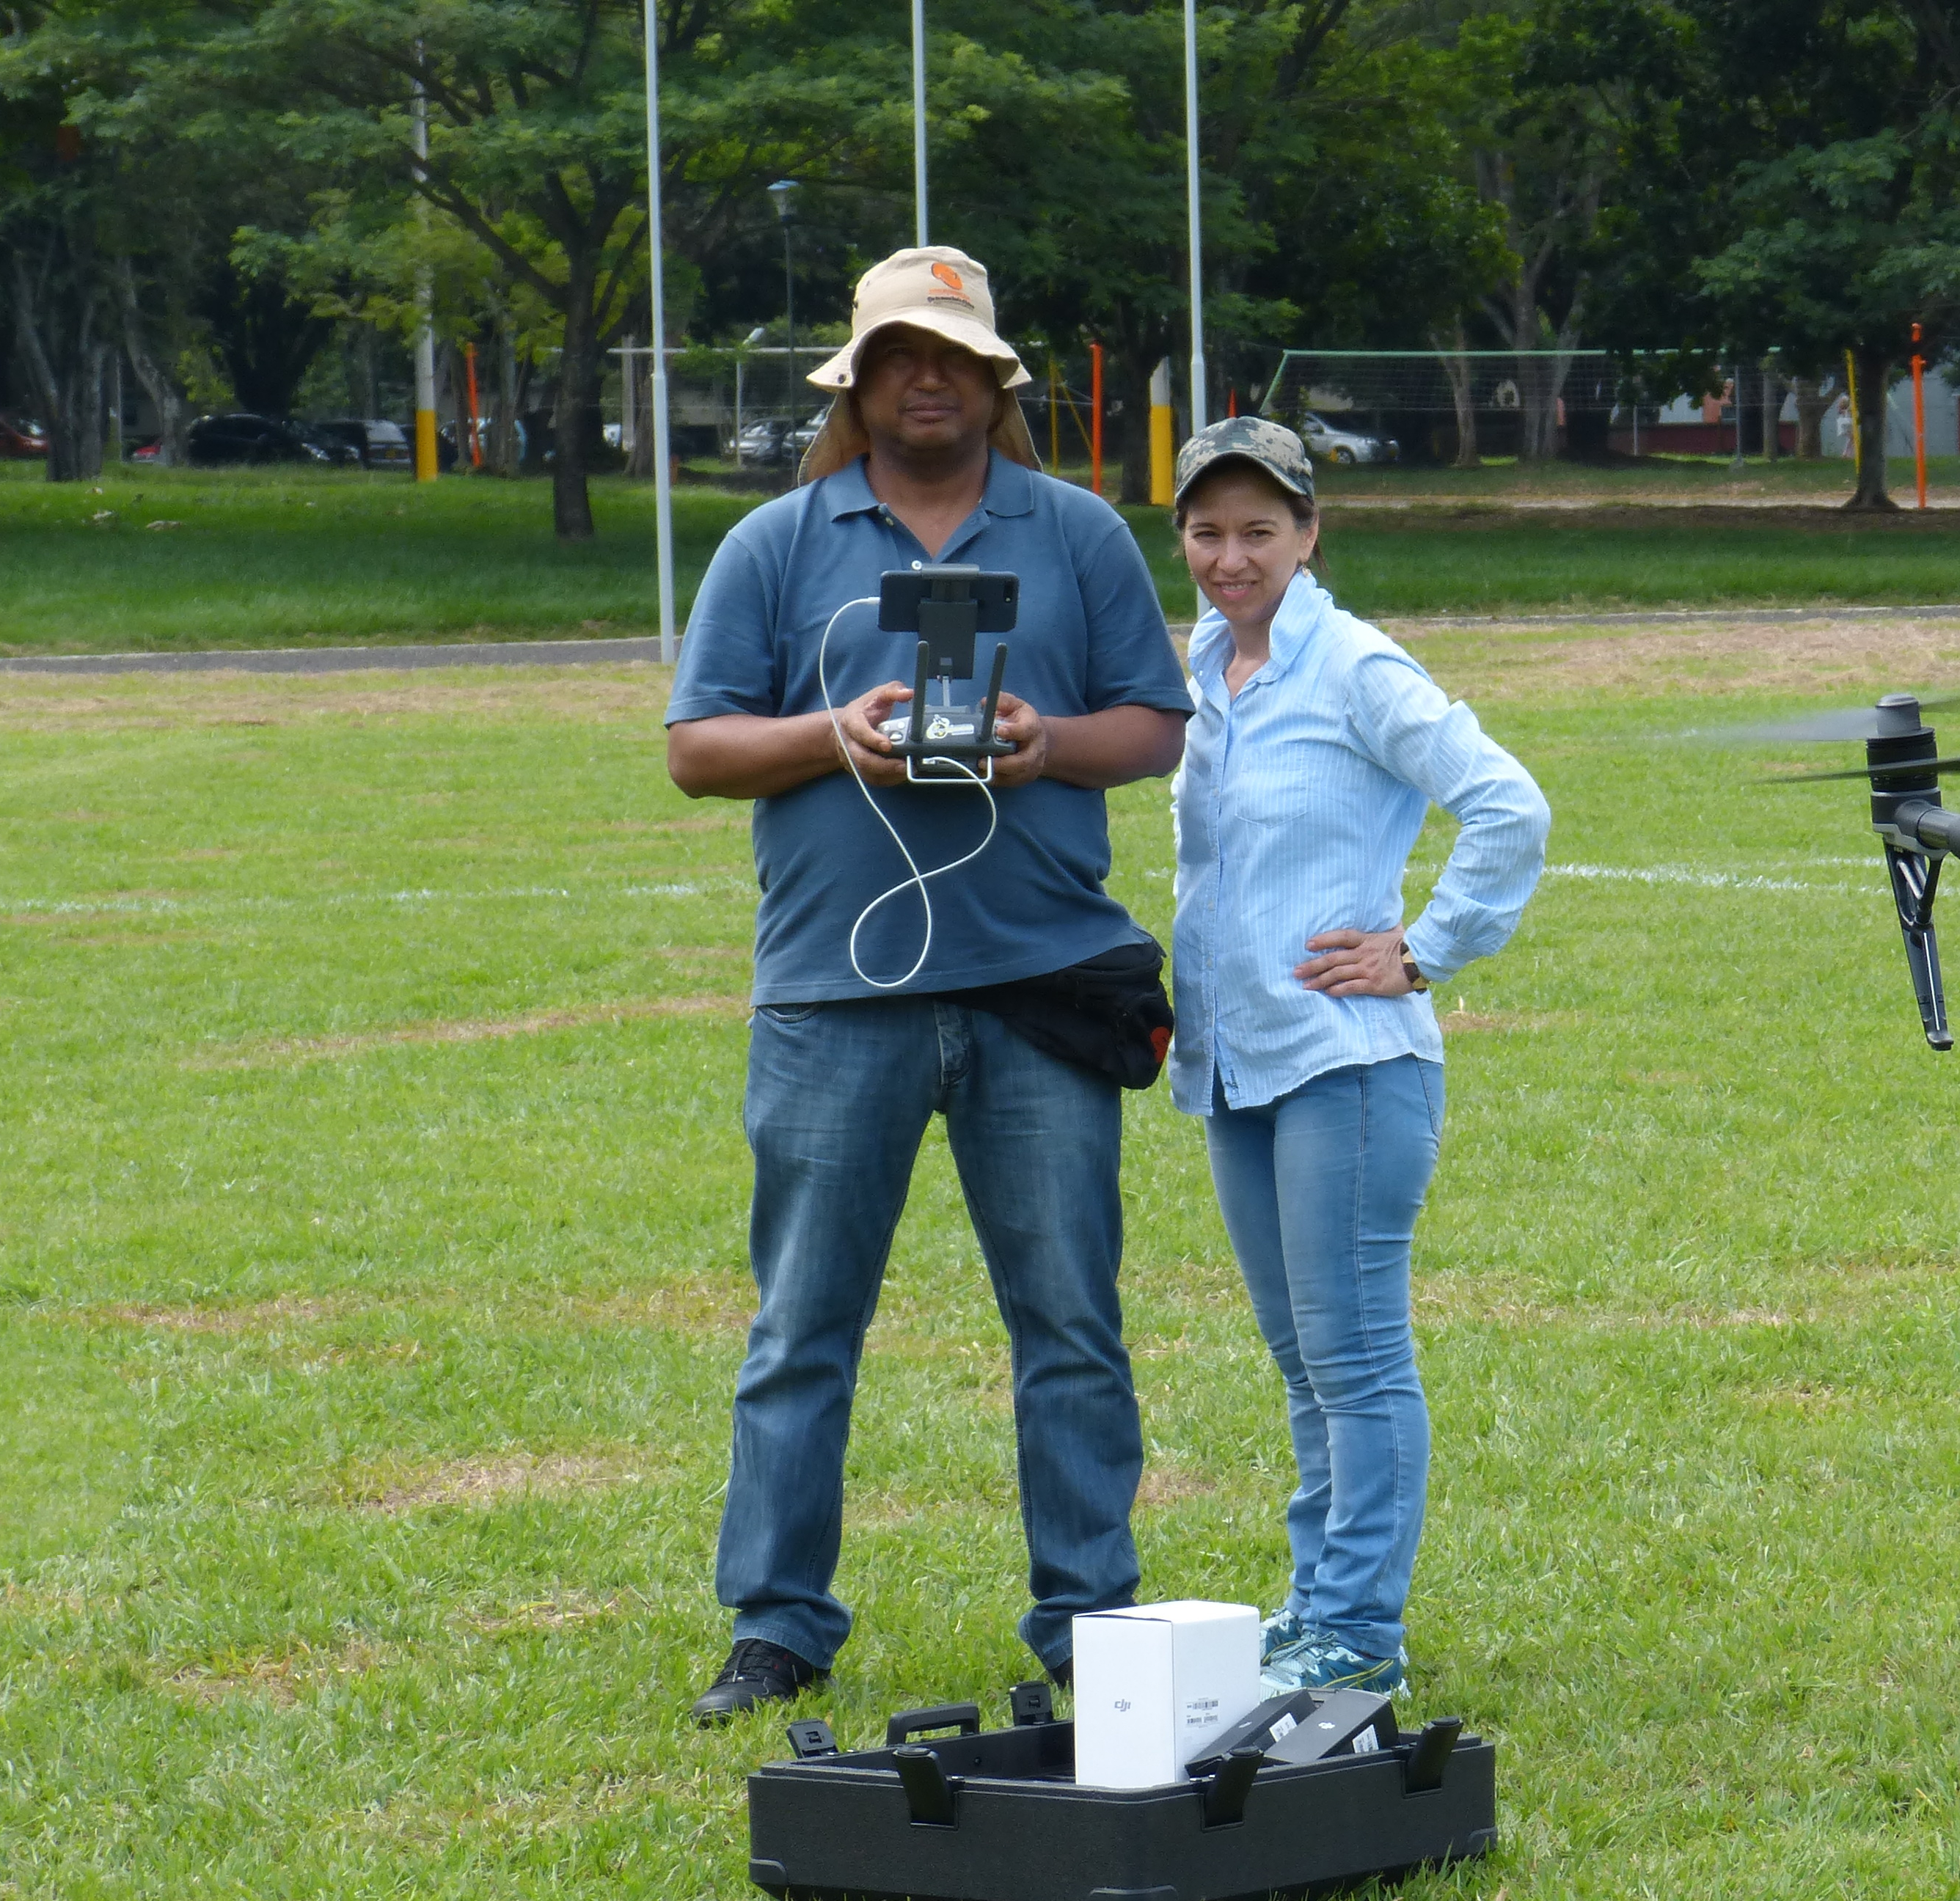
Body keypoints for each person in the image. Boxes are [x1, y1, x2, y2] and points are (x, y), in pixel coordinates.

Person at [662, 246, 1193, 1724]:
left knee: (1070, 1326)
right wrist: (835, 732)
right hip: (836, 998)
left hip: (1040, 988)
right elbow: (697, 750)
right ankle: (777, 1624)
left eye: (954, 356)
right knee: (802, 1328)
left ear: (996, 380)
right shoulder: (775, 545)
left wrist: (1044, 742)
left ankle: (1091, 1623)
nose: (928, 378)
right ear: (859, 380)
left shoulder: (1078, 536)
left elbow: (1156, 723)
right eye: (900, 355)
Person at [1165, 419, 1551, 1696]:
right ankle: (1315, 1605)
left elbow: (1506, 802)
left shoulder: (1356, 667)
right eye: (1209, 532)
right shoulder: (1212, 661)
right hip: (1241, 1065)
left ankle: (1357, 1632)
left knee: (1357, 1358)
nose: (1232, 557)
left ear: (1310, 534)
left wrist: (1425, 948)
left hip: (1350, 1068)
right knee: (1303, 1364)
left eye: (1259, 531)